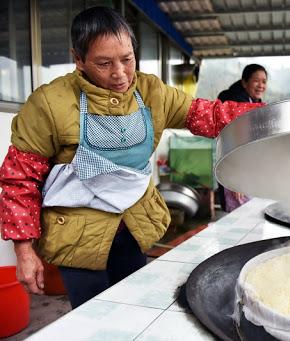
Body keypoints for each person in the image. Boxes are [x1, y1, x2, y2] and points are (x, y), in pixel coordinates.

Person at [0, 7, 262, 309]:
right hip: (77, 237)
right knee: (92, 317)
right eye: (104, 63)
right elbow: (21, 176)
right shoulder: (50, 103)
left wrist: (266, 118)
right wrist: (23, 249)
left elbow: (209, 115)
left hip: (133, 225)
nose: (120, 74)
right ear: (78, 59)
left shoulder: (152, 92)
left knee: (133, 307)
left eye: (127, 59)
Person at [217, 64, 268, 212]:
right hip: (236, 172)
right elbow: (230, 143)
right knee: (241, 219)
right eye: (256, 81)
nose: (261, 85)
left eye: (264, 81)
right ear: (244, 82)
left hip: (250, 171)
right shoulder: (234, 104)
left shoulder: (254, 103)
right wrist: (234, 180)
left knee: (253, 218)